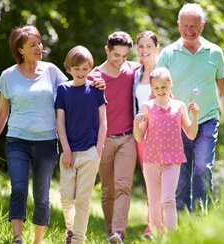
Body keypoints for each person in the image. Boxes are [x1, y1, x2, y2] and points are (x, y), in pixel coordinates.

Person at [0, 25, 104, 244]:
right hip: (17, 140)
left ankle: (37, 241)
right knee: (18, 189)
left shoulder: (51, 71)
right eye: (33, 44)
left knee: (42, 196)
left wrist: (96, 81)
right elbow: (1, 114)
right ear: (20, 50)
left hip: (47, 142)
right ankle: (17, 239)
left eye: (39, 43)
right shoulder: (8, 76)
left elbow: (76, 82)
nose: (40, 48)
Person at [156, 3, 224, 212]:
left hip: (207, 121)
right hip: (178, 123)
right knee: (181, 179)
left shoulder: (215, 53)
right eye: (185, 25)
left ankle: (201, 220)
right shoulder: (168, 54)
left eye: (194, 26)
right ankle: (181, 225)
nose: (189, 30)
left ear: (202, 26)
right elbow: (157, 92)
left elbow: (223, 93)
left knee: (202, 168)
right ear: (178, 25)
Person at [88, 31, 141, 244]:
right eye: (116, 55)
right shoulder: (94, 77)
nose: (120, 61)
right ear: (107, 50)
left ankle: (119, 232)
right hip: (103, 141)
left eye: (125, 56)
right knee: (108, 190)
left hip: (128, 138)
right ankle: (111, 233)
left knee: (123, 186)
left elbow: (153, 73)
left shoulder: (134, 70)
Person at [133, 67, 199, 235]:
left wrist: (195, 116)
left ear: (171, 85)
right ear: (152, 88)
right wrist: (136, 124)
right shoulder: (147, 107)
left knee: (168, 199)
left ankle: (171, 235)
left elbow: (191, 134)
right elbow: (139, 137)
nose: (160, 91)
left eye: (164, 87)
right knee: (154, 201)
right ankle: (156, 234)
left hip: (172, 160)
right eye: (156, 88)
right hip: (151, 161)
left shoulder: (179, 106)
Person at [55, 45, 107, 244]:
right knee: (67, 198)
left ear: (90, 68)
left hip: (90, 152)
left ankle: (78, 239)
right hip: (69, 152)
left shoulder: (95, 90)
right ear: (69, 68)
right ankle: (71, 229)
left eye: (85, 69)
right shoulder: (63, 90)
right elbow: (60, 122)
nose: (81, 73)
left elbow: (103, 121)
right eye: (77, 69)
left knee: (83, 199)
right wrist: (66, 149)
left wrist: (98, 149)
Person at [132, 30, 160, 239]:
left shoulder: (162, 73)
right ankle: (153, 226)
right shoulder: (135, 74)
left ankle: (155, 227)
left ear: (156, 48)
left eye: (149, 46)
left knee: (162, 180)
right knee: (150, 180)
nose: (144, 50)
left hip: (161, 133)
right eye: (141, 46)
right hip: (141, 134)